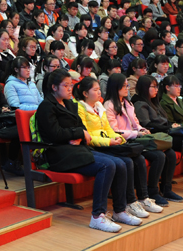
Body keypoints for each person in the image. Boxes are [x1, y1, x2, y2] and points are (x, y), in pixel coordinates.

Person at [35, 69, 134, 232]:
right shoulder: (46, 106)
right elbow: (55, 134)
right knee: (107, 165)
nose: (70, 88)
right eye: (65, 85)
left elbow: (81, 127)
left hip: (77, 149)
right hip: (58, 154)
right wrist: (78, 133)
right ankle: (97, 216)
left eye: (70, 85)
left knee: (121, 163)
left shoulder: (69, 104)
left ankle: (119, 211)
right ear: (54, 87)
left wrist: (78, 133)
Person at [74, 77, 158, 220]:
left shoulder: (99, 107)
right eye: (95, 89)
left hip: (109, 142)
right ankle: (123, 206)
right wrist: (110, 141)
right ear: (85, 93)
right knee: (125, 162)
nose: (99, 92)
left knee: (137, 157)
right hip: (96, 146)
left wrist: (119, 139)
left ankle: (136, 201)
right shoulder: (80, 108)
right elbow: (88, 135)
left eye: (99, 89)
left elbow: (108, 129)